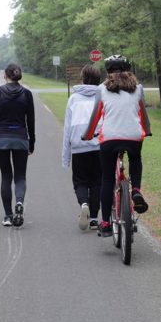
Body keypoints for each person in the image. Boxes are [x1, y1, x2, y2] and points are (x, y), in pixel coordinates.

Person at [81, 54, 152, 237]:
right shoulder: (138, 89)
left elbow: (96, 115)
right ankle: (135, 190)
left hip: (109, 139)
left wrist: (87, 135)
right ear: (128, 70)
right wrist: (147, 130)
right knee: (135, 159)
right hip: (134, 136)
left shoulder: (102, 89)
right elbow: (143, 114)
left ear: (108, 72)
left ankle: (105, 223)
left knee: (107, 179)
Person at [0, 63, 36, 227]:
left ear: (5, 75)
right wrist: (32, 141)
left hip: (1, 139)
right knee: (20, 176)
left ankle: (8, 216)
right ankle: (19, 203)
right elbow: (31, 121)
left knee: (6, 176)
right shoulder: (27, 94)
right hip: (21, 138)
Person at [61, 65, 103, 231]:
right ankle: (93, 219)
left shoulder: (73, 99)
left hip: (79, 146)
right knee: (97, 182)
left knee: (80, 181)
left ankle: (83, 203)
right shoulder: (102, 98)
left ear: (83, 78)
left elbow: (67, 129)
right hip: (98, 144)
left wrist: (66, 157)